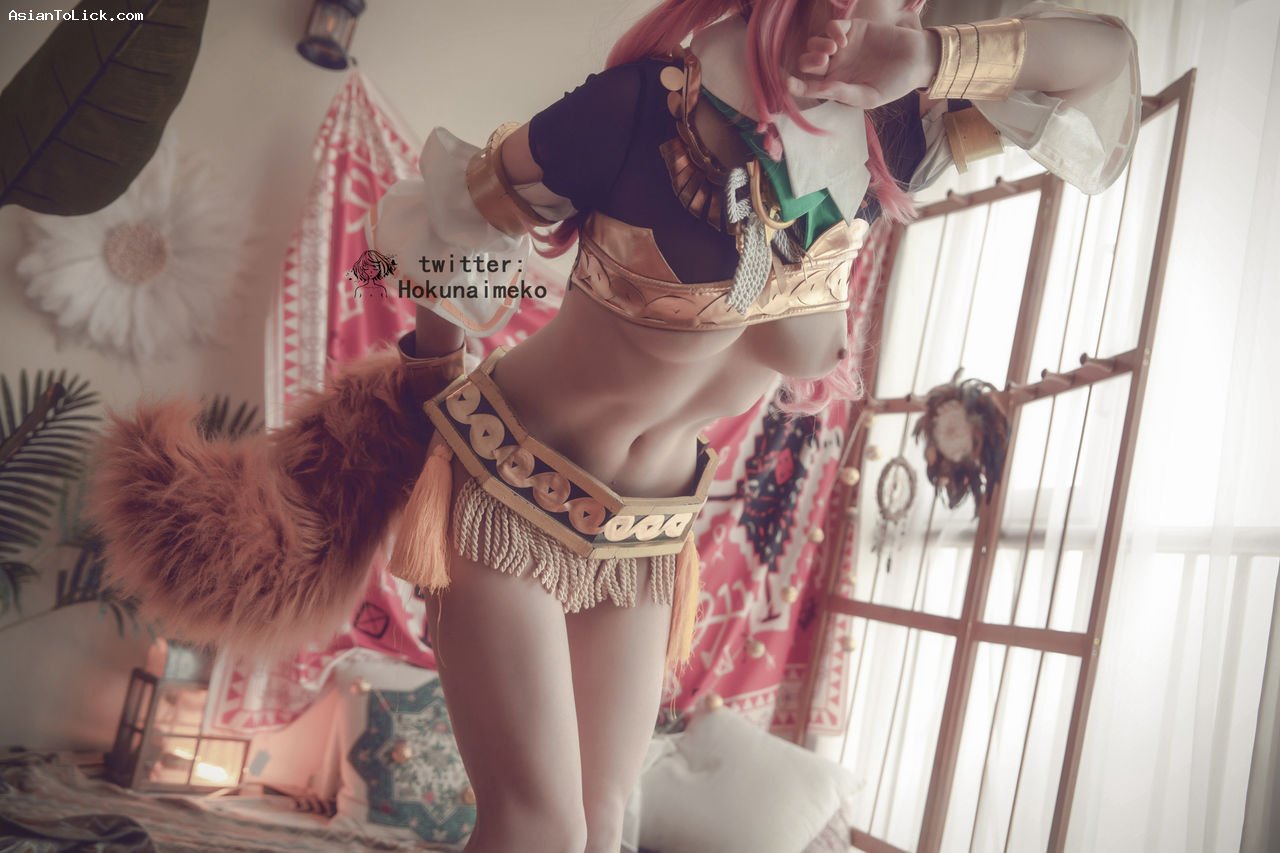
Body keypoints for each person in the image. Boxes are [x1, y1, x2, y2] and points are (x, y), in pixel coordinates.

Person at [87, 1, 1138, 852]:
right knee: (537, 829)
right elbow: (454, 219)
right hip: (508, 490)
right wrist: (423, 379)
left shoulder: (894, 134)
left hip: (647, 537)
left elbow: (1102, 61)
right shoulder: (643, 106)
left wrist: (932, 55)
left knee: (602, 828)